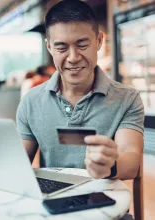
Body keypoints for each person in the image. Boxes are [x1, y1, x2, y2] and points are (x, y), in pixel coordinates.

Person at [16, 1, 144, 218]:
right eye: (61, 47)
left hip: (107, 210)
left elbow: (131, 160)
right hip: (53, 209)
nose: (73, 57)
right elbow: (18, 164)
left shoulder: (127, 98)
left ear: (99, 41)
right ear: (49, 47)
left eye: (82, 44)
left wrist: (110, 166)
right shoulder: (31, 101)